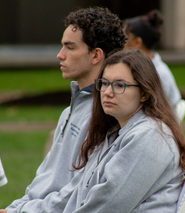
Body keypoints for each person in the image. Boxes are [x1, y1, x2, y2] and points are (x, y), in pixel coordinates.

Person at [1, 7, 125, 213]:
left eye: (70, 47)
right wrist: (16, 208)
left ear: (96, 55)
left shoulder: (106, 113)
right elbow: (43, 182)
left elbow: (78, 193)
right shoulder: (70, 111)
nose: (60, 55)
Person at [62, 48, 185, 212]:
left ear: (144, 93)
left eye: (120, 85)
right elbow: (79, 194)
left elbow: (107, 205)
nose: (107, 92)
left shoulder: (150, 137)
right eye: (104, 83)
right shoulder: (116, 131)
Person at [124, 10, 185, 121]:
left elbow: (158, 115)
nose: (122, 43)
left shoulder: (158, 74)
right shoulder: (141, 68)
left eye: (126, 38)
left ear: (137, 42)